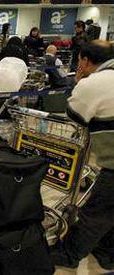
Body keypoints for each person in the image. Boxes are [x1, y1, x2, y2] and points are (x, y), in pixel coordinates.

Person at [51, 40, 114, 270]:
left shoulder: (95, 82)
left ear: (85, 61)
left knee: (95, 213)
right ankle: (107, 252)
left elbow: (75, 114)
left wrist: (78, 83)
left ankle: (68, 254)